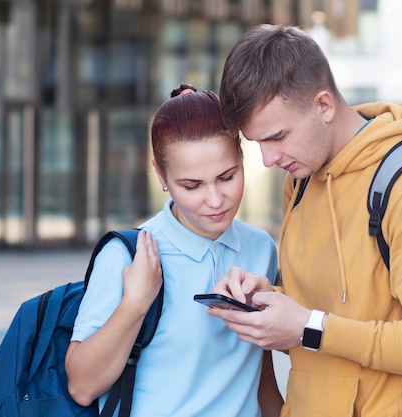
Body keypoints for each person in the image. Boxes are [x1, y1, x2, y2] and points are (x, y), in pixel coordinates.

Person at [208, 24, 402, 416]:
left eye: (277, 136)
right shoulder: (302, 181)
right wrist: (266, 300)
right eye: (258, 144)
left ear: (324, 105)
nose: (268, 159)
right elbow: (328, 307)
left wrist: (310, 326)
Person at [65, 84, 284, 417]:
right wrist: (136, 303)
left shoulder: (261, 249)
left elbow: (261, 380)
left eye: (227, 177)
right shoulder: (130, 254)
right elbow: (81, 386)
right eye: (192, 186)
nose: (214, 200)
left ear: (242, 158)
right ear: (160, 174)